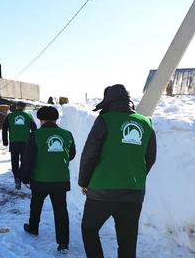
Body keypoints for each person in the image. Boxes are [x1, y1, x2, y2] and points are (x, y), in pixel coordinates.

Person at [79, 84, 157, 258]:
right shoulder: (146, 122)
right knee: (128, 239)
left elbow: (89, 154)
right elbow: (150, 157)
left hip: (102, 191)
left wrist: (84, 182)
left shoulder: (104, 120)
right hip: (134, 192)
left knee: (89, 229)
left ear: (108, 101)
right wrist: (135, 176)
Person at [20, 106, 76, 254]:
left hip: (40, 180)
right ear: (56, 119)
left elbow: (28, 159)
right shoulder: (67, 134)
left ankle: (33, 228)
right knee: (61, 211)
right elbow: (71, 154)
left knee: (36, 204)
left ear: (41, 120)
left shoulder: (35, 135)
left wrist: (24, 177)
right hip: (60, 180)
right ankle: (63, 243)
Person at [2, 101, 37, 189]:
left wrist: (5, 141)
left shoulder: (10, 116)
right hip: (25, 143)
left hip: (14, 143)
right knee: (25, 161)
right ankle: (21, 176)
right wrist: (33, 142)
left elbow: (4, 128)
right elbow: (34, 129)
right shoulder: (28, 116)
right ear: (24, 108)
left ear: (17, 107)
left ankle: (17, 178)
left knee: (14, 162)